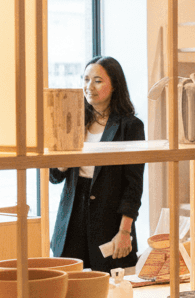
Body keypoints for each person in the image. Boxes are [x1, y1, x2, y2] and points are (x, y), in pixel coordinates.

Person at [51, 56, 145, 272]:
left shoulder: (130, 126)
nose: (89, 87)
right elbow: (54, 176)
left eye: (97, 81)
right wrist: (64, 160)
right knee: (69, 281)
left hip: (109, 217)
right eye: (85, 80)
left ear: (115, 85)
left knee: (108, 284)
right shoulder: (74, 120)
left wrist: (124, 231)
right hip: (72, 214)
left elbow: (133, 186)